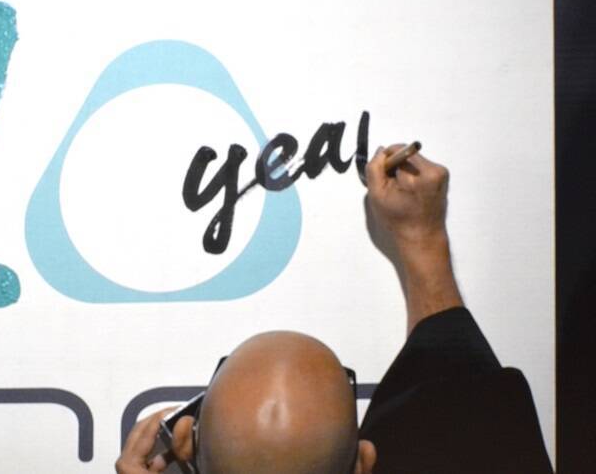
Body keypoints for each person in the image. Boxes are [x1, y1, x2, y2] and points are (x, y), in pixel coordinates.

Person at [116, 145, 554, 474]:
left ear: (186, 446)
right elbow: (464, 413)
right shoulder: (487, 426)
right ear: (364, 463)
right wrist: (422, 239)